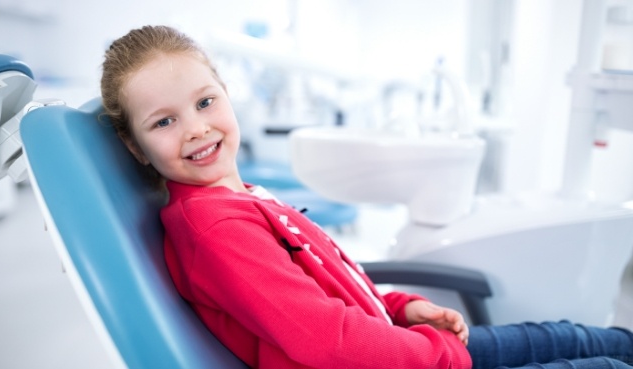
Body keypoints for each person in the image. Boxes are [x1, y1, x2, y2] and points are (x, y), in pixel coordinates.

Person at [100, 25, 633, 369]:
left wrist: (401, 308)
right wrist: (438, 351)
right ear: (136, 145)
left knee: (577, 338)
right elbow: (328, 343)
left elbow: (331, 290)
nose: (195, 129)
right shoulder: (217, 230)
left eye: (204, 102)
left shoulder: (243, 201)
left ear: (226, 96)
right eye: (165, 121)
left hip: (398, 346)